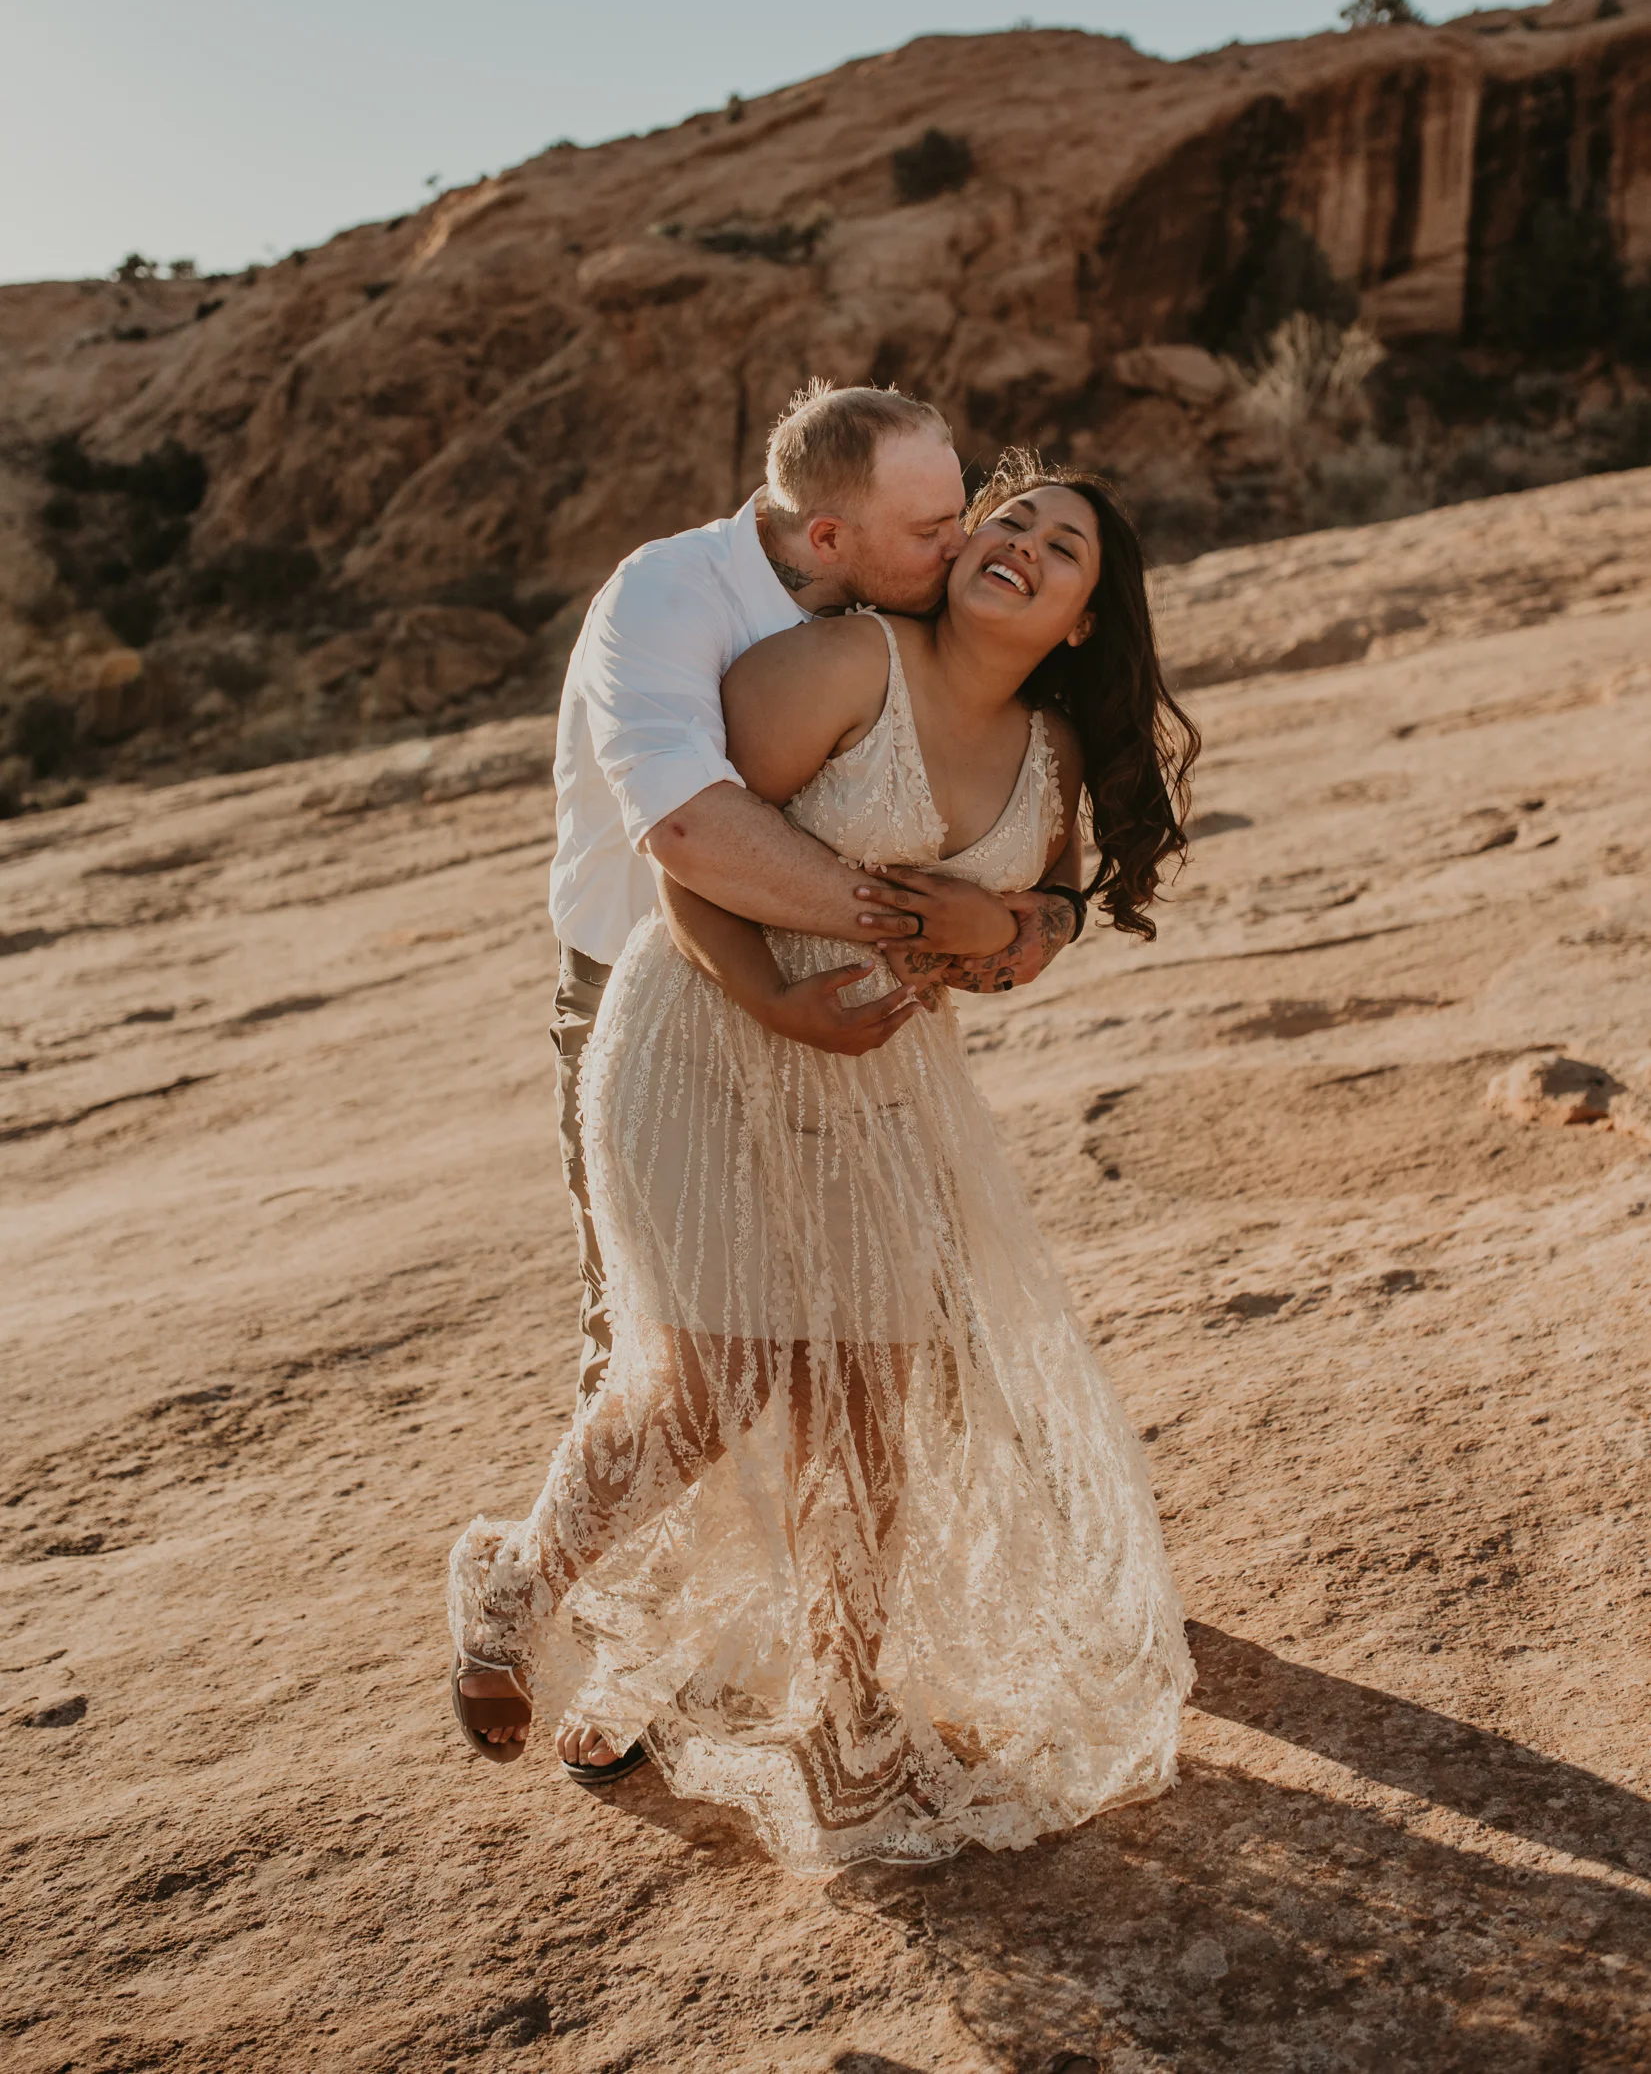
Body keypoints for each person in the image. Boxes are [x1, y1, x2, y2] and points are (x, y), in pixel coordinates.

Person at [448, 443, 1200, 1871]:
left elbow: (1040, 918)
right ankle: (516, 1584)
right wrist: (779, 996)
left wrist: (1007, 931)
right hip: (704, 1034)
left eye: (1062, 550)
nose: (1022, 547)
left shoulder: (1048, 756)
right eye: (1009, 520)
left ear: (1083, 623)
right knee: (715, 1375)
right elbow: (687, 851)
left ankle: (845, 1719)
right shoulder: (848, 662)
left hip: (880, 1084)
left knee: (865, 1406)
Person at [519, 383, 1087, 1784]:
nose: (967, 542)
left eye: (967, 511)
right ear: (828, 536)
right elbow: (688, 831)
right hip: (657, 997)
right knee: (667, 1347)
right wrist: (932, 928)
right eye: (936, 525)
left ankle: (852, 1665)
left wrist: (1025, 924)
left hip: (862, 1044)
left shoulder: (928, 631)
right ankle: (616, 1653)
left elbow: (1059, 859)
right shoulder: (670, 600)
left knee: (879, 1359)